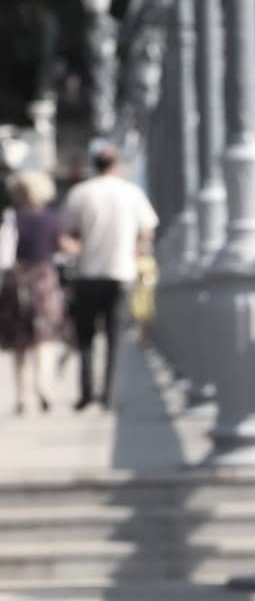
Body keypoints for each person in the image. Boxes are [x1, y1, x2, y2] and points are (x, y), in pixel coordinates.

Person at [61, 143, 158, 410]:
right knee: (116, 337)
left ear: (94, 164)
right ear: (116, 164)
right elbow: (147, 231)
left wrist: (80, 248)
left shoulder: (80, 193)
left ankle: (86, 392)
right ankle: (110, 396)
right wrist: (137, 249)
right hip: (121, 272)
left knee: (85, 336)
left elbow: (66, 235)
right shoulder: (132, 193)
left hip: (87, 273)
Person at [0, 169, 65, 414]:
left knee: (19, 343)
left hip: (16, 280)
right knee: (43, 338)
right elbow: (63, 246)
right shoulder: (51, 218)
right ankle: (43, 384)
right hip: (44, 279)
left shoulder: (11, 218)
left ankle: (22, 397)